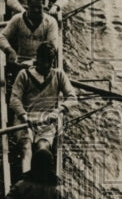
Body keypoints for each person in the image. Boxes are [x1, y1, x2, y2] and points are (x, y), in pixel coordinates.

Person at [9, 41, 76, 173]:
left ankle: (41, 181)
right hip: (24, 120)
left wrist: (57, 111)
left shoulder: (59, 75)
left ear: (53, 62)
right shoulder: (23, 75)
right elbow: (14, 99)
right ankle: (26, 180)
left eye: (49, 63)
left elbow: (73, 98)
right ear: (37, 58)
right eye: (43, 61)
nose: (45, 65)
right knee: (26, 147)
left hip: (47, 121)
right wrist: (23, 115)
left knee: (43, 149)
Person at [0, 0, 58, 67]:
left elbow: (52, 48)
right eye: (33, 7)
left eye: (39, 8)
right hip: (21, 61)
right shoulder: (17, 19)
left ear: (44, 6)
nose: (36, 10)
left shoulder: (51, 22)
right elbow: (0, 38)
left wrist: (36, 62)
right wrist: (10, 51)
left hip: (42, 64)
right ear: (27, 5)